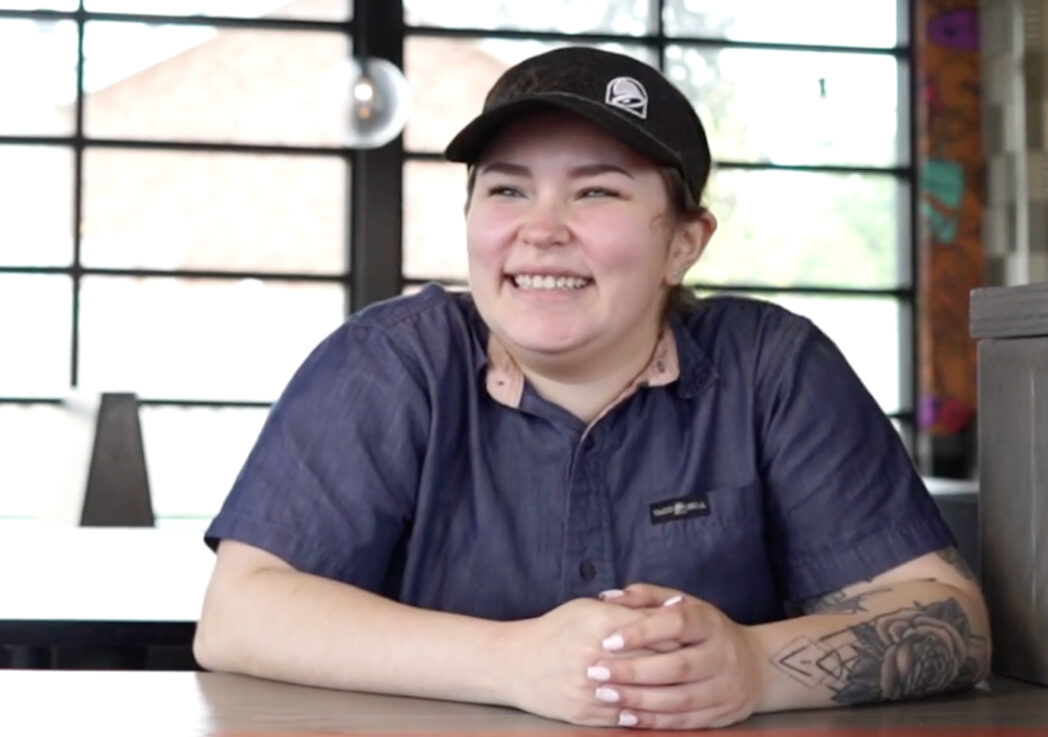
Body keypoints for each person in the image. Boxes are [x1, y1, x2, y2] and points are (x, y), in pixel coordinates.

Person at [194, 46, 990, 730]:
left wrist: (752, 665)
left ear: (684, 243)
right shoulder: (389, 364)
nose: (541, 229)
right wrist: (512, 660)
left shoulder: (771, 367)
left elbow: (952, 615)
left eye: (596, 191)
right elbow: (239, 613)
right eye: (507, 189)